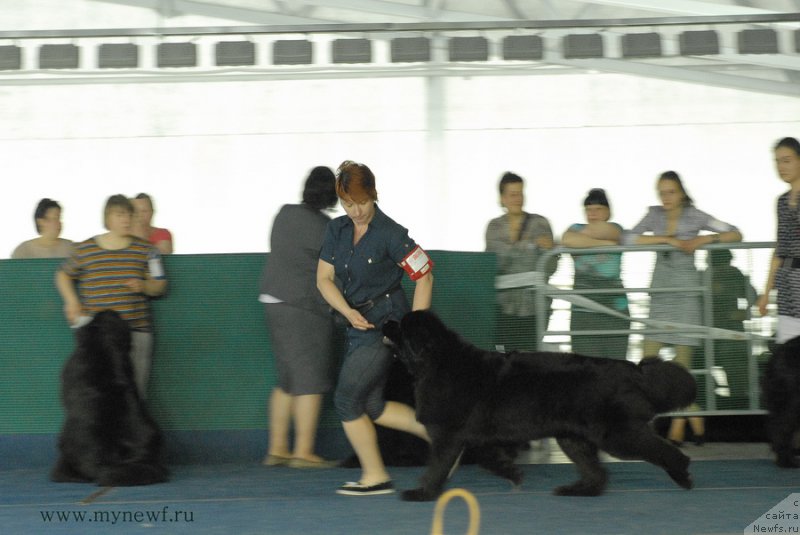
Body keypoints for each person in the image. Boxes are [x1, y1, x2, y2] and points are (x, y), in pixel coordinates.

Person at [316, 160, 433, 496]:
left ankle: (375, 476)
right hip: (354, 324)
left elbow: (424, 275)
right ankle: (440, 437)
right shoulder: (336, 231)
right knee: (374, 406)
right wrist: (348, 313)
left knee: (346, 400)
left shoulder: (392, 234)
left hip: (384, 326)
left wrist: (415, 330)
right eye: (348, 204)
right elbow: (323, 279)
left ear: (374, 195)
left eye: (362, 202)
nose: (356, 211)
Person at [624, 171, 742, 446]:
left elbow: (735, 233)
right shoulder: (653, 215)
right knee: (646, 365)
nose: (665, 198)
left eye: (671, 192)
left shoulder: (696, 215)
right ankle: (691, 415)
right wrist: (667, 240)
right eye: (662, 192)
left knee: (681, 369)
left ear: (681, 192)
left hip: (687, 295)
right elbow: (628, 238)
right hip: (660, 294)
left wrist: (703, 240)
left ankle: (677, 430)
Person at [259, 166, 339, 469]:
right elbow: (335, 270)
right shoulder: (325, 227)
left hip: (272, 299)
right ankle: (303, 452)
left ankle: (277, 449)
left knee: (287, 379)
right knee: (310, 379)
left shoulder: (284, 213)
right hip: (303, 305)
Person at [55, 194, 168, 399]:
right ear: (108, 218)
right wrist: (72, 301)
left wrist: (144, 285)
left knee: (134, 396)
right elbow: (63, 274)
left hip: (136, 333)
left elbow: (160, 285)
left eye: (129, 215)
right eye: (120, 214)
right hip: (99, 336)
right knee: (99, 395)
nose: (126, 220)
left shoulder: (148, 251)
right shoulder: (85, 249)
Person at [485, 172, 557, 352]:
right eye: (513, 194)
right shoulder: (494, 227)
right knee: (505, 359)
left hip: (535, 306)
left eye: (521, 193)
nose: (518, 198)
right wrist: (531, 245)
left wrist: (549, 251)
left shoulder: (540, 223)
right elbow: (495, 262)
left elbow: (551, 266)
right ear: (502, 198)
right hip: (503, 306)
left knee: (532, 360)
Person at [562, 188, 629, 359]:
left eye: (598, 209)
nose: (593, 213)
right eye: (588, 209)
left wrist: (584, 241)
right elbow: (567, 240)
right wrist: (606, 244)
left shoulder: (616, 228)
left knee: (616, 368)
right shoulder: (575, 228)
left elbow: (605, 231)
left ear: (608, 212)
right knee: (586, 369)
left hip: (615, 312)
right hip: (583, 313)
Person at [758, 137, 800, 344]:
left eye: (786, 160)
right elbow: (779, 250)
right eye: (777, 161)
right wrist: (766, 293)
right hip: (787, 287)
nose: (781, 167)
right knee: (789, 353)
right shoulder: (782, 202)